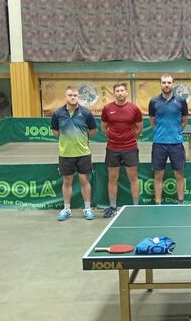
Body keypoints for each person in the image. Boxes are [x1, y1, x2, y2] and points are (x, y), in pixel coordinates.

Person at [51, 86, 97, 221]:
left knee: (84, 180)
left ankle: (87, 208)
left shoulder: (86, 113)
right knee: (67, 181)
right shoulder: (58, 113)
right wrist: (66, 140)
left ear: (78, 97)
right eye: (70, 95)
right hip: (65, 154)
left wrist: (82, 139)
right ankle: (66, 209)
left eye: (75, 95)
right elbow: (55, 131)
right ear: (65, 97)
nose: (73, 97)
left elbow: (93, 130)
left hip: (83, 153)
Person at [100, 82, 143, 217]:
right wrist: (114, 137)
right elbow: (104, 128)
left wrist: (129, 138)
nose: (120, 93)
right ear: (114, 93)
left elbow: (139, 128)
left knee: (133, 178)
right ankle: (113, 207)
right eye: (117, 91)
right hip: (112, 149)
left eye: (122, 90)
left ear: (126, 92)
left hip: (130, 148)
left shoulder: (134, 109)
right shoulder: (107, 108)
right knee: (112, 178)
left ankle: (136, 207)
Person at [148, 74, 188, 204]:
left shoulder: (181, 101)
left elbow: (184, 120)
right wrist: (161, 132)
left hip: (176, 144)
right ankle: (158, 203)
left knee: (179, 175)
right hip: (159, 144)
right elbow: (152, 121)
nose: (166, 85)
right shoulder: (153, 101)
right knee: (158, 175)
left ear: (173, 84)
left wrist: (176, 132)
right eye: (164, 82)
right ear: (160, 84)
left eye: (169, 82)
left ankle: (181, 203)